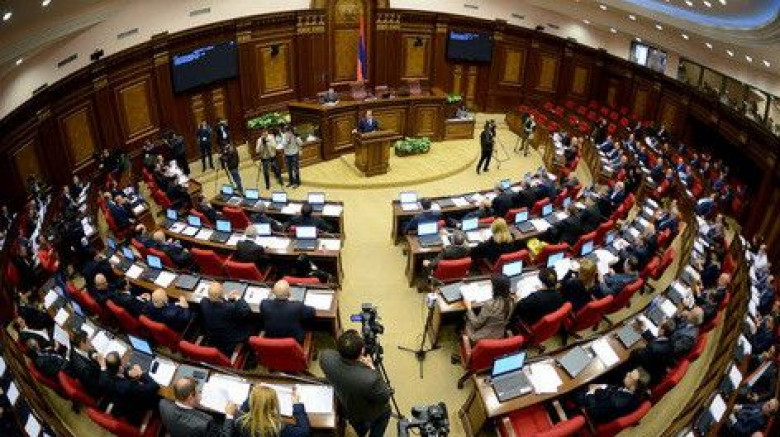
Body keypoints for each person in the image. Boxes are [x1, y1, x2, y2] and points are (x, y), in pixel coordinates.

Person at [320, 330, 391, 437]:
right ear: (362, 351)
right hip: (365, 413)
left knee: (359, 427)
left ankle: (360, 433)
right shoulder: (371, 378)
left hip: (346, 404)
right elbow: (385, 397)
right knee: (386, 410)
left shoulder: (325, 357)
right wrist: (372, 367)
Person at [159, 377, 237, 437]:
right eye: (198, 392)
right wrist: (229, 415)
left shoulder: (163, 404)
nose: (200, 394)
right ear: (190, 398)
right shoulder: (205, 424)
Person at [99, 351, 161, 423]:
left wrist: (126, 372)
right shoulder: (128, 386)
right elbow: (155, 386)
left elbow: (104, 373)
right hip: (132, 413)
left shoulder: (105, 377)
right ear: (120, 366)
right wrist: (141, 373)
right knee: (157, 397)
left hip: (119, 405)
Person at [572, 368, 650, 424]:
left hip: (593, 408)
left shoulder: (616, 402)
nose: (627, 373)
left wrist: (590, 392)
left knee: (574, 390)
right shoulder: (636, 393)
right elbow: (617, 390)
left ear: (634, 386)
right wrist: (602, 386)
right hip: (605, 399)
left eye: (630, 376)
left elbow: (594, 411)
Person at [199, 282, 253, 357]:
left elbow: (217, 302)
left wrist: (226, 298)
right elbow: (245, 311)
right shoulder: (229, 308)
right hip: (231, 338)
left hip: (214, 336)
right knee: (252, 322)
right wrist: (238, 298)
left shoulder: (203, 302)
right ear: (222, 294)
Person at [234, 385, 310, 437]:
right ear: (274, 404)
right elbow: (304, 431)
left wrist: (257, 395)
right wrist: (296, 404)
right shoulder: (277, 428)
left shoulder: (239, 421)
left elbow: (243, 409)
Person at [259, 280, 316, 344]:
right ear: (289, 293)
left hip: (271, 338)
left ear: (273, 292)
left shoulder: (264, 304)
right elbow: (312, 312)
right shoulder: (297, 305)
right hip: (294, 341)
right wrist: (294, 301)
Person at [464, 274, 514, 344]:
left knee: (466, 318)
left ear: (495, 288)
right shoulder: (511, 301)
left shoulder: (490, 304)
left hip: (481, 338)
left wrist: (469, 308)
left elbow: (476, 324)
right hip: (499, 335)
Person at [631, 318, 677, 384]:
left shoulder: (654, 348)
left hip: (648, 372)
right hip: (658, 369)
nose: (658, 327)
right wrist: (644, 330)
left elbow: (638, 357)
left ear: (662, 331)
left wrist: (636, 349)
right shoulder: (668, 341)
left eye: (659, 326)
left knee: (625, 365)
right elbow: (655, 340)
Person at [66, 330, 104, 397]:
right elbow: (96, 388)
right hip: (97, 391)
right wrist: (103, 367)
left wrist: (93, 354)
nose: (91, 344)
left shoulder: (75, 350)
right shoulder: (84, 368)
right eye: (89, 342)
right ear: (82, 344)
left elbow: (88, 353)